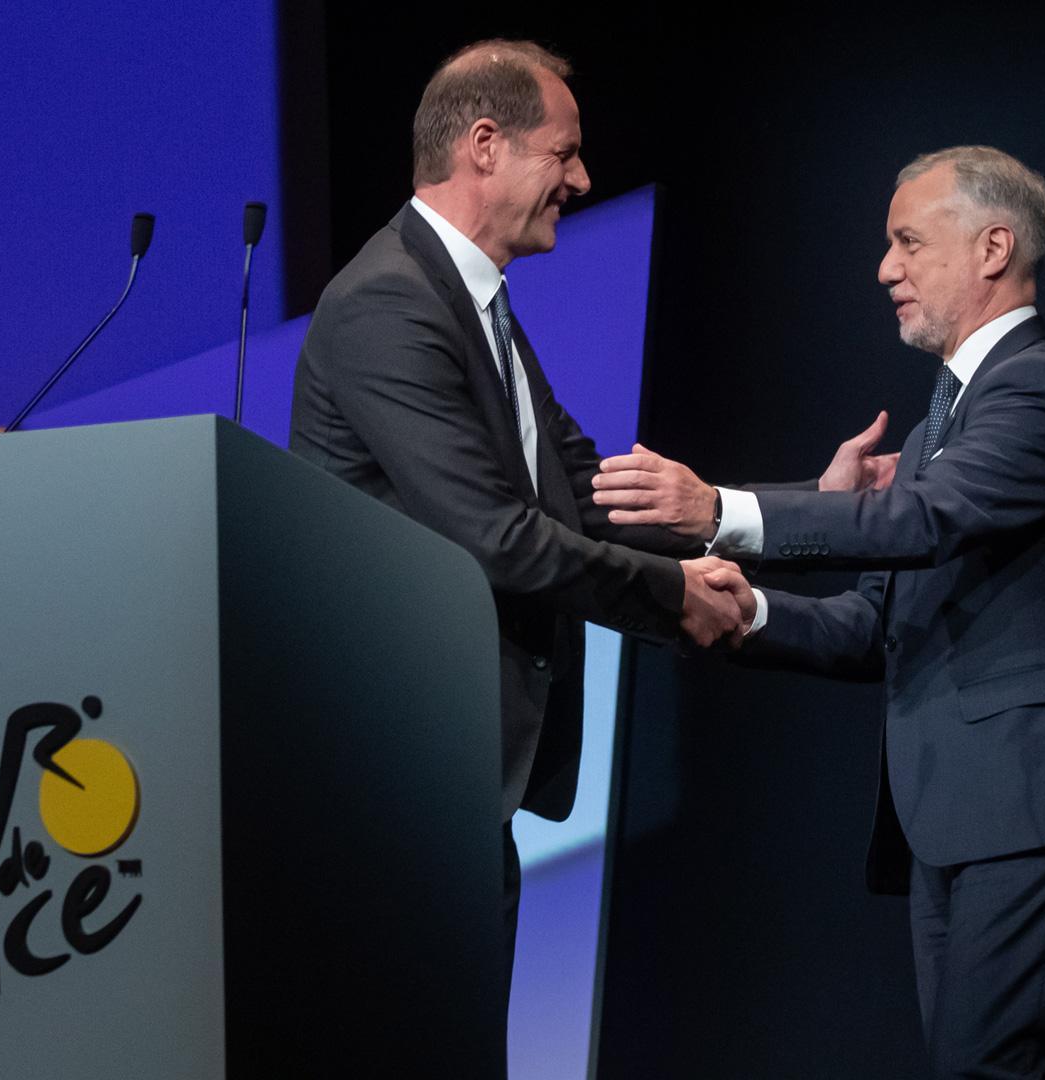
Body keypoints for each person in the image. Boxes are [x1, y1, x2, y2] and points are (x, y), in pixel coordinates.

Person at [591, 145, 1045, 1078]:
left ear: (993, 248)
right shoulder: (939, 428)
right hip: (954, 815)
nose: (885, 269)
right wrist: (747, 613)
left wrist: (723, 510)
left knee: (986, 1065)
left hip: (1032, 802)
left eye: (908, 242)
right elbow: (871, 628)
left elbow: (919, 521)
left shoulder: (1040, 388)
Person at [288, 38, 748, 1011]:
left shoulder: (468, 301)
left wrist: (746, 519)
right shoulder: (387, 303)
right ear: (485, 145)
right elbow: (493, 535)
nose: (581, 180)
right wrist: (672, 597)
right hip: (392, 769)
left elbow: (580, 489)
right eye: (564, 153)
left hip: (449, 770)